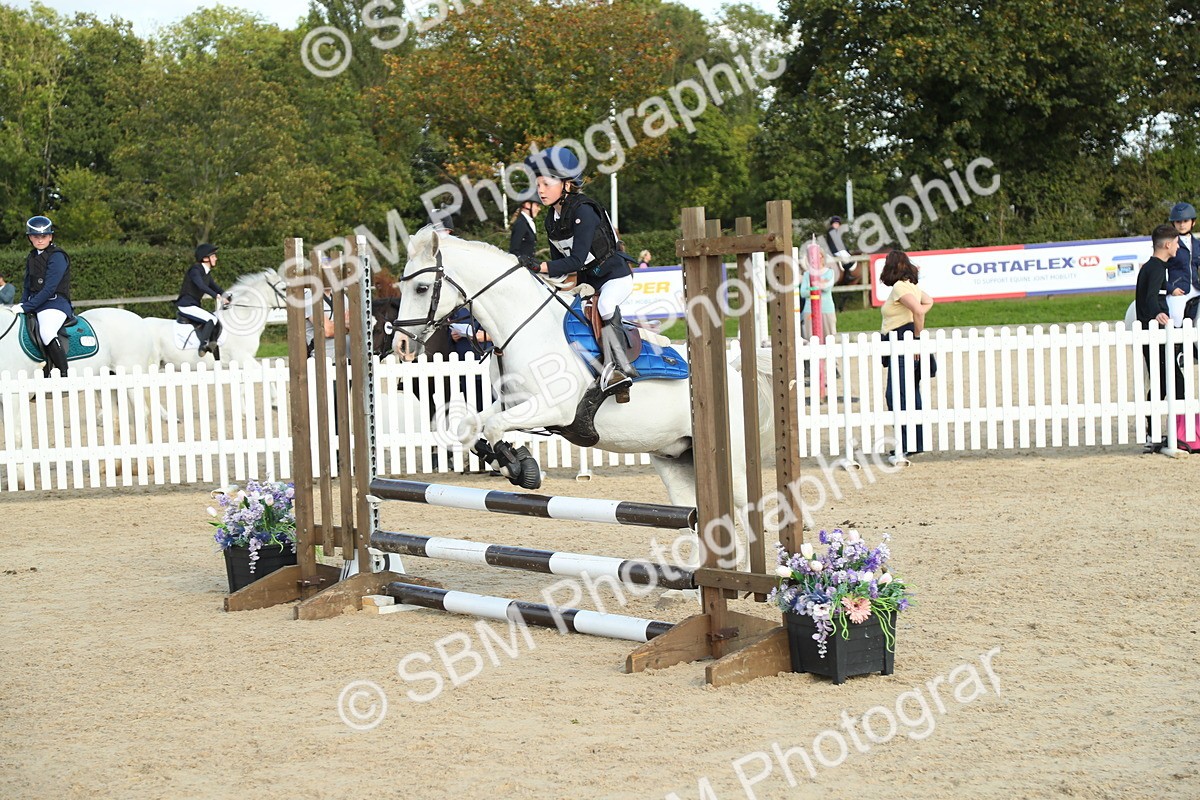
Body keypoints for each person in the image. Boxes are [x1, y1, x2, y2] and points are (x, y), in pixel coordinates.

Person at [519, 145, 637, 399]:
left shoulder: (583, 210)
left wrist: (539, 266)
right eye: (537, 184)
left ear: (566, 184)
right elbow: (558, 266)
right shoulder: (552, 218)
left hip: (615, 276)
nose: (540, 190)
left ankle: (619, 369)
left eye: (546, 183)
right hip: (587, 281)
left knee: (606, 305)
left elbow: (575, 260)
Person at [1135, 224, 1197, 451]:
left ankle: (1152, 434)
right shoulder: (1157, 269)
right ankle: (1181, 436)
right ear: (1168, 245)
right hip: (1155, 336)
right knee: (1176, 384)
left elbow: (1154, 293)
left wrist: (1169, 292)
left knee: (1161, 386)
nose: (1178, 247)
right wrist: (1158, 313)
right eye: (1177, 243)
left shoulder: (1151, 267)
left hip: (1151, 335)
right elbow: (1151, 298)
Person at [879, 249, 934, 458]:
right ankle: (915, 442)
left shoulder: (900, 287)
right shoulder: (912, 286)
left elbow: (920, 310)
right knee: (911, 393)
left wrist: (916, 337)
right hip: (906, 341)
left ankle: (907, 442)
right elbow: (929, 302)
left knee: (897, 395)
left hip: (903, 343)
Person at [13, 216, 74, 377]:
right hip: (36, 304)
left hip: (55, 303)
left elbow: (49, 289)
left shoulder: (58, 256)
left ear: (50, 236)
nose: (40, 240)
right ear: (30, 238)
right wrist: (21, 304)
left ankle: (63, 373)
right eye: (35, 236)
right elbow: (27, 286)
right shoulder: (32, 256)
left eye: (44, 236)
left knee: (46, 331)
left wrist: (27, 307)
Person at [175, 243, 230, 356]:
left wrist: (227, 296)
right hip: (186, 305)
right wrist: (216, 296)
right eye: (213, 256)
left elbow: (215, 287)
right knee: (211, 319)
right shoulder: (195, 270)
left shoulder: (206, 273)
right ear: (205, 258)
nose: (216, 258)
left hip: (193, 305)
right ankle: (203, 346)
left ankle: (213, 344)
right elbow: (201, 286)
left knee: (215, 320)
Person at [1165, 202, 1200, 327]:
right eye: (1178, 221)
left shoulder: (1198, 245)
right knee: (1176, 315)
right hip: (1178, 290)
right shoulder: (1167, 244)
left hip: (1196, 289)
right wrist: (1171, 288)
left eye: (1185, 221)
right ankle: (1177, 346)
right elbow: (1158, 270)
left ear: (1193, 222)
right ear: (1173, 224)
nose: (1182, 224)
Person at [826, 216, 859, 311]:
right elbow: (837, 244)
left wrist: (846, 249)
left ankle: (847, 273)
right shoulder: (832, 231)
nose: (836, 225)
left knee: (847, 256)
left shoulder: (835, 231)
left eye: (837, 223)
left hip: (837, 250)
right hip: (835, 251)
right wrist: (844, 250)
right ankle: (848, 275)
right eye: (835, 223)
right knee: (848, 259)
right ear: (833, 224)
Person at [799, 261, 837, 342]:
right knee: (810, 338)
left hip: (826, 309)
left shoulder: (829, 272)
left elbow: (826, 287)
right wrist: (816, 287)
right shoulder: (807, 274)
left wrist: (811, 287)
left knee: (829, 337)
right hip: (809, 309)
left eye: (820, 258)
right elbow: (803, 293)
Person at [508, 192, 540, 259]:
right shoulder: (521, 224)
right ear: (527, 205)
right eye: (537, 205)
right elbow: (514, 251)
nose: (539, 209)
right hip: (522, 266)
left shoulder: (528, 222)